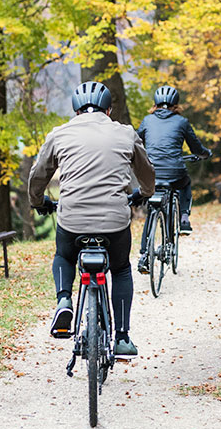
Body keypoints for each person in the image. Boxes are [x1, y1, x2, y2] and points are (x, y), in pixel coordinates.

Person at [28, 81, 155, 357]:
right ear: (109, 110)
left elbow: (39, 175)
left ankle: (64, 301)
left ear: (76, 111)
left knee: (64, 255)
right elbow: (146, 172)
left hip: (72, 219)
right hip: (114, 222)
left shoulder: (59, 134)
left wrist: (38, 201)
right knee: (120, 268)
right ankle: (122, 337)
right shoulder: (126, 133)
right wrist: (144, 193)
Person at [136, 85, 211, 273]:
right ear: (176, 104)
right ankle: (184, 217)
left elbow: (136, 143)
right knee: (185, 183)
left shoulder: (147, 120)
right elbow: (196, 148)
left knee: (152, 210)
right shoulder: (182, 122)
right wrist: (204, 154)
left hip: (151, 173)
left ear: (155, 104)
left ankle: (144, 256)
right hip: (175, 172)